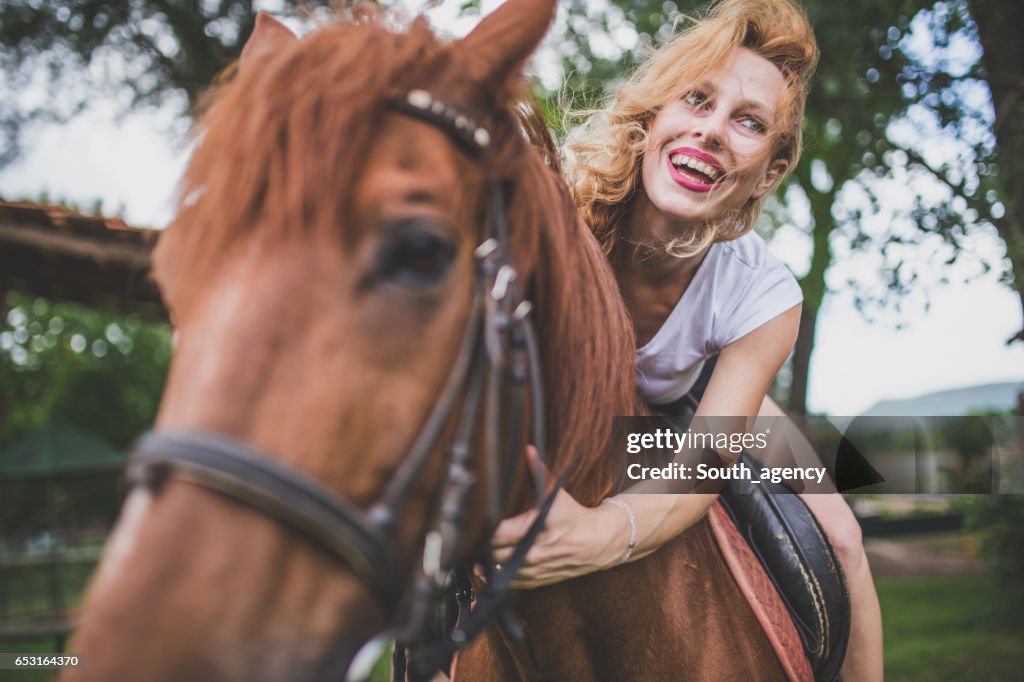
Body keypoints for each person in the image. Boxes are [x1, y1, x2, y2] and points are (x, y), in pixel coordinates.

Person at [490, 1, 883, 680]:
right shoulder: (562, 218)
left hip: (698, 391)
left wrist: (604, 533)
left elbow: (702, 467)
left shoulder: (765, 296)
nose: (712, 132)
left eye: (749, 123)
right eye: (696, 100)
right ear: (653, 119)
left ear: (768, 171)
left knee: (844, 538)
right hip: (584, 398)